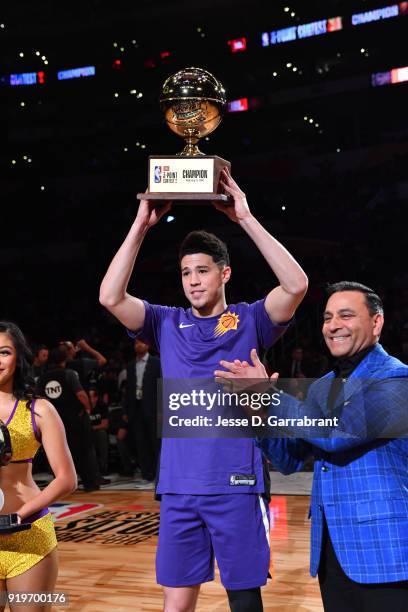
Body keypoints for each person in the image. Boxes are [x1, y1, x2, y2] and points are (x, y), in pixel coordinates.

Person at [99, 167, 308, 612]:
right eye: (185, 272)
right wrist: (140, 225)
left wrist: (245, 218)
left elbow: (296, 285)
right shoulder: (165, 322)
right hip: (178, 486)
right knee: (176, 606)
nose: (193, 280)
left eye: (202, 271)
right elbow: (110, 297)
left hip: (235, 483)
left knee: (244, 600)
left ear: (225, 273)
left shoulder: (251, 319)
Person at [215, 282, 408, 611]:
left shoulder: (396, 380)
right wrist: (256, 411)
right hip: (331, 556)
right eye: (327, 317)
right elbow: (289, 459)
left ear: (377, 322)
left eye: (346, 315)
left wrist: (269, 394)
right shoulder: (322, 388)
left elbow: (336, 435)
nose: (333, 325)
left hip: (384, 555)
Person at [0, 322, 77, 610]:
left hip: (29, 538)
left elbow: (67, 479)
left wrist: (20, 515)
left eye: (4, 352)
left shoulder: (39, 409)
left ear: (18, 357)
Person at [37, 346, 100, 492]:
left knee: (58, 453)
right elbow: (81, 394)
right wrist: (88, 408)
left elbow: (38, 399)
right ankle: (91, 483)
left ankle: (62, 486)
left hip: (53, 421)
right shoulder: (69, 374)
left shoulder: (42, 378)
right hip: (74, 419)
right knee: (84, 451)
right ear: (64, 359)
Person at [122, 339, 161, 488]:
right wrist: (126, 410)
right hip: (136, 408)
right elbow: (128, 390)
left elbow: (162, 385)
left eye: (142, 343)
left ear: (148, 345)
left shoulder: (157, 363)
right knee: (141, 442)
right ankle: (147, 474)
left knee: (155, 442)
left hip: (153, 408)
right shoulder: (130, 365)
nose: (139, 345)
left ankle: (159, 475)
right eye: (136, 343)